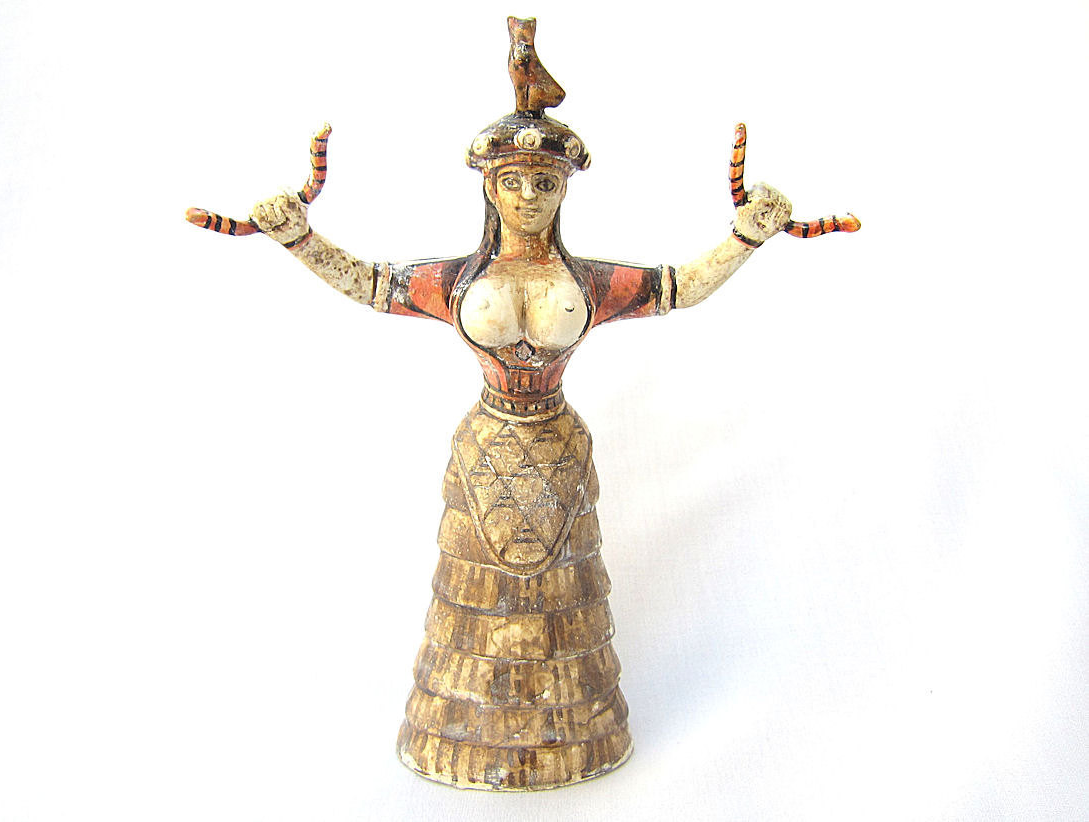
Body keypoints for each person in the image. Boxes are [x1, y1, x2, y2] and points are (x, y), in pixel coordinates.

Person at [218, 17, 834, 792]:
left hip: (557, 445)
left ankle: (573, 743)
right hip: (487, 445)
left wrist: (746, 238)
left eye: (546, 183)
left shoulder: (590, 283)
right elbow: (372, 285)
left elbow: (679, 288)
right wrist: (299, 239)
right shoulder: (454, 282)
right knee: (475, 597)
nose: (530, 196)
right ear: (490, 186)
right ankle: (463, 744)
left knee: (561, 597)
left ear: (565, 189)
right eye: (514, 181)